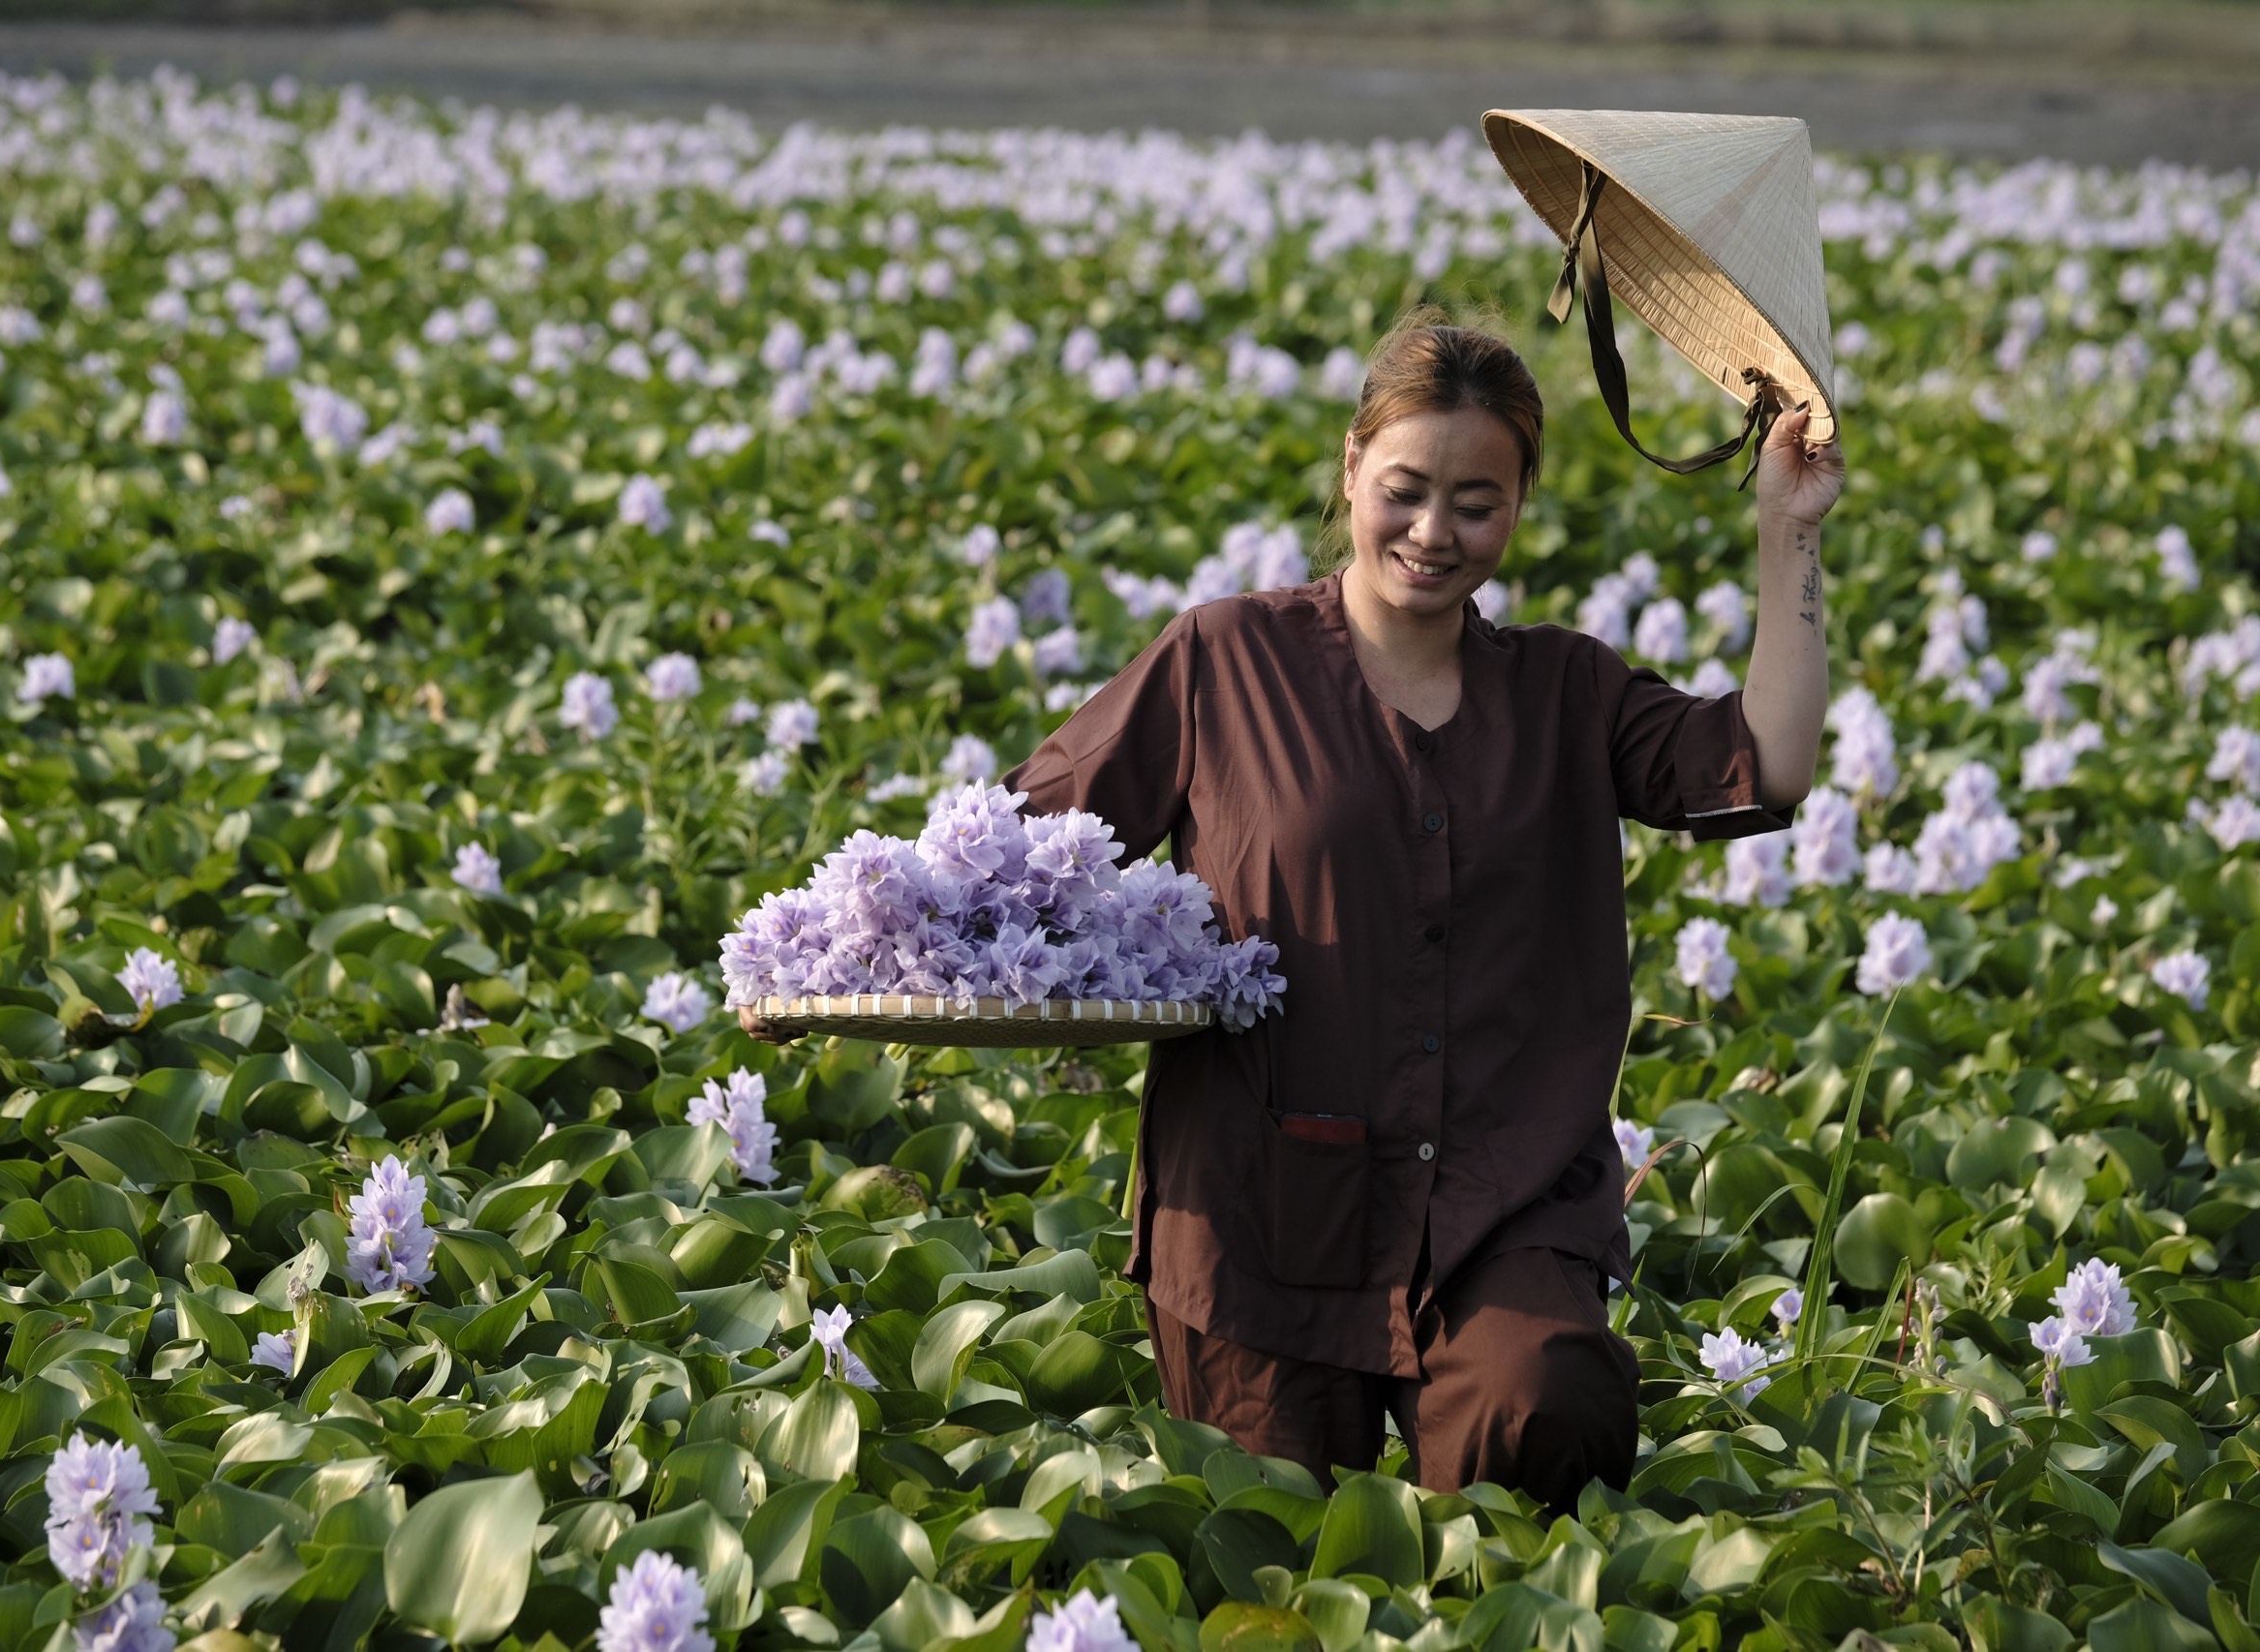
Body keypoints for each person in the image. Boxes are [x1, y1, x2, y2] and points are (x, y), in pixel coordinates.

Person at [749, 305, 1843, 1511]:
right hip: (1259, 1213)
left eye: (1475, 502)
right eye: (1404, 489)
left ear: (1520, 501)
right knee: (1256, 1544)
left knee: (1546, 1394)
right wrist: (817, 971)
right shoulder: (1222, 660)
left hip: (1501, 1203)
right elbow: (1004, 852)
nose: (1433, 532)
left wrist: (1786, 532)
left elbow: (1768, 764)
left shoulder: (1568, 693)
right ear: (1351, 468)